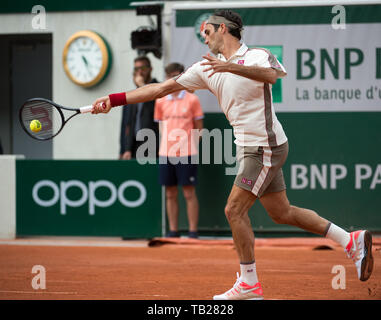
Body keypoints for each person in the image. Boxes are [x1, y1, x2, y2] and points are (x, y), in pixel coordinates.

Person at [92, 9, 374, 300]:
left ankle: (249, 283)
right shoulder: (205, 68)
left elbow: (271, 76)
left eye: (207, 31)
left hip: (265, 146)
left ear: (223, 29)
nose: (204, 37)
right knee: (282, 212)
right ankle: (350, 239)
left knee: (233, 210)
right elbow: (161, 89)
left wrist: (230, 68)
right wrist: (114, 100)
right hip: (249, 148)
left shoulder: (257, 56)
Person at [154, 63, 204, 239]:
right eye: (169, 76)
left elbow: (199, 128)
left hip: (187, 153)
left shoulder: (192, 99)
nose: (172, 79)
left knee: (189, 192)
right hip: (165, 153)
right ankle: (173, 231)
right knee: (170, 193)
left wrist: (189, 146)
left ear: (183, 76)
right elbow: (161, 126)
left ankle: (192, 231)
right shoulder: (160, 100)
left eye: (176, 75)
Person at [119, 56, 159, 159]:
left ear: (150, 69)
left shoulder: (158, 89)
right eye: (136, 69)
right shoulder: (132, 95)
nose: (140, 72)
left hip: (152, 144)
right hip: (133, 147)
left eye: (143, 68)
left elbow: (155, 107)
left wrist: (142, 86)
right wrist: (124, 150)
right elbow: (126, 125)